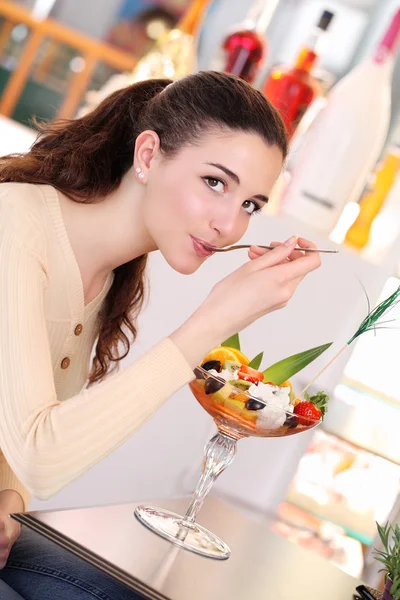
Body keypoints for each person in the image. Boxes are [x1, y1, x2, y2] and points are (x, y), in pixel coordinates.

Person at [0, 70, 321, 598]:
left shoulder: (112, 279)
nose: (230, 226)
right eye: (215, 182)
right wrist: (213, 321)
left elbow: (15, 437)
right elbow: (42, 451)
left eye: (250, 205)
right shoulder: (16, 224)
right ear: (147, 156)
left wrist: (9, 501)